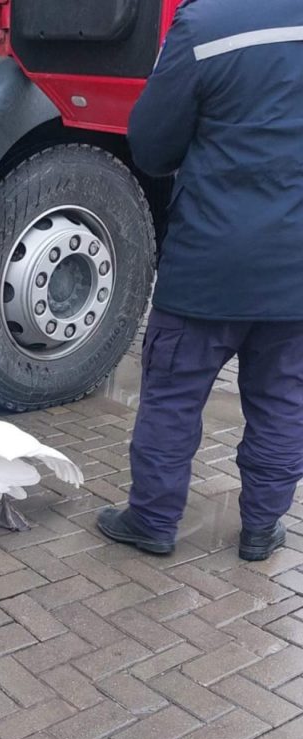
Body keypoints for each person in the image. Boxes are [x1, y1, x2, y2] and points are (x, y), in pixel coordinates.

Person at [96, 0, 303, 561]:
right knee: (284, 399)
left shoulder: (206, 25)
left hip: (210, 263)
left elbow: (154, 145)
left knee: (172, 397)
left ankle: (154, 521)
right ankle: (261, 528)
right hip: (295, 275)